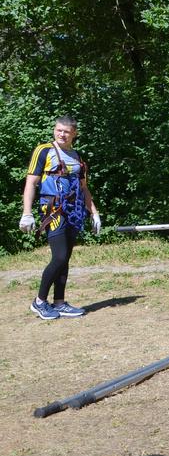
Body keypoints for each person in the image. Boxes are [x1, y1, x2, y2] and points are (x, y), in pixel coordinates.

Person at [20, 116, 101, 320]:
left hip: (73, 212)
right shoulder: (44, 150)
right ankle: (39, 302)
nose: (62, 134)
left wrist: (94, 212)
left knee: (65, 259)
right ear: (54, 130)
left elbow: (84, 188)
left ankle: (59, 302)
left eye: (66, 131)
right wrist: (27, 213)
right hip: (53, 210)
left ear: (74, 134)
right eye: (59, 130)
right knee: (59, 257)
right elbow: (31, 183)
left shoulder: (77, 156)